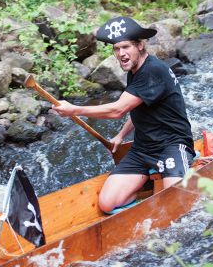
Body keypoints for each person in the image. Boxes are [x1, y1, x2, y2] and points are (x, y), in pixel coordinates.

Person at [52, 16, 195, 214]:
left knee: (176, 203)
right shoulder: (135, 70)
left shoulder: (153, 70)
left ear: (140, 45)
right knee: (107, 203)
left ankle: (184, 166)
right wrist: (120, 136)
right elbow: (136, 108)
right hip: (143, 149)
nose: (121, 54)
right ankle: (146, 196)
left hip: (171, 145)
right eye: (117, 49)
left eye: (126, 47)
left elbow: (118, 110)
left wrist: (74, 110)